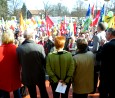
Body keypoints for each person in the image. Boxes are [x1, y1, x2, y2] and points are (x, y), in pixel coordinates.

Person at [16, 28, 49, 98]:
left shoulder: (19, 49)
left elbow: (18, 62)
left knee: (32, 94)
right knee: (43, 92)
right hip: (39, 74)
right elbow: (44, 61)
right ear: (32, 36)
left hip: (27, 75)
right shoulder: (39, 47)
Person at [0, 30, 21, 98]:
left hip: (3, 77)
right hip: (14, 75)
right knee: (17, 93)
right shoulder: (16, 48)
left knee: (4, 95)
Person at [96, 28, 115, 98]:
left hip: (106, 74)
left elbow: (98, 57)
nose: (105, 36)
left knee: (104, 93)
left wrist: (101, 46)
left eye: (106, 34)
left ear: (110, 34)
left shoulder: (107, 46)